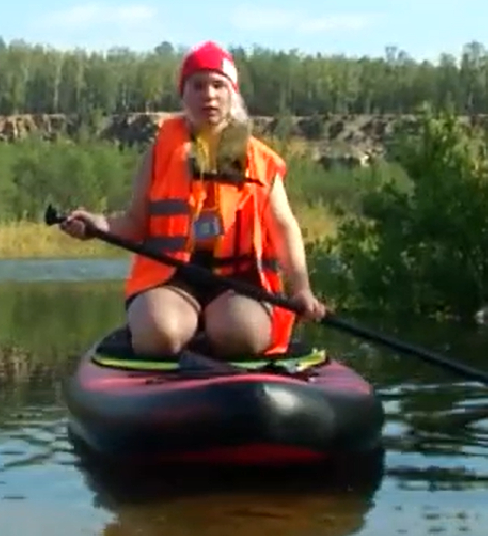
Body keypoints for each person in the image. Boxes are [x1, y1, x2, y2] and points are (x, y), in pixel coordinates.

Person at [56, 41, 326, 359]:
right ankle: (171, 331)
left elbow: (284, 229)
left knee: (242, 336)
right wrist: (96, 225)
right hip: (171, 279)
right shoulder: (162, 151)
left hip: (238, 283)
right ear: (183, 94)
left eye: (217, 85)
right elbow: (133, 224)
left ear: (232, 93)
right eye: (197, 85)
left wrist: (301, 289)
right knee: (160, 335)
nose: (208, 95)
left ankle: (207, 336)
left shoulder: (260, 159)